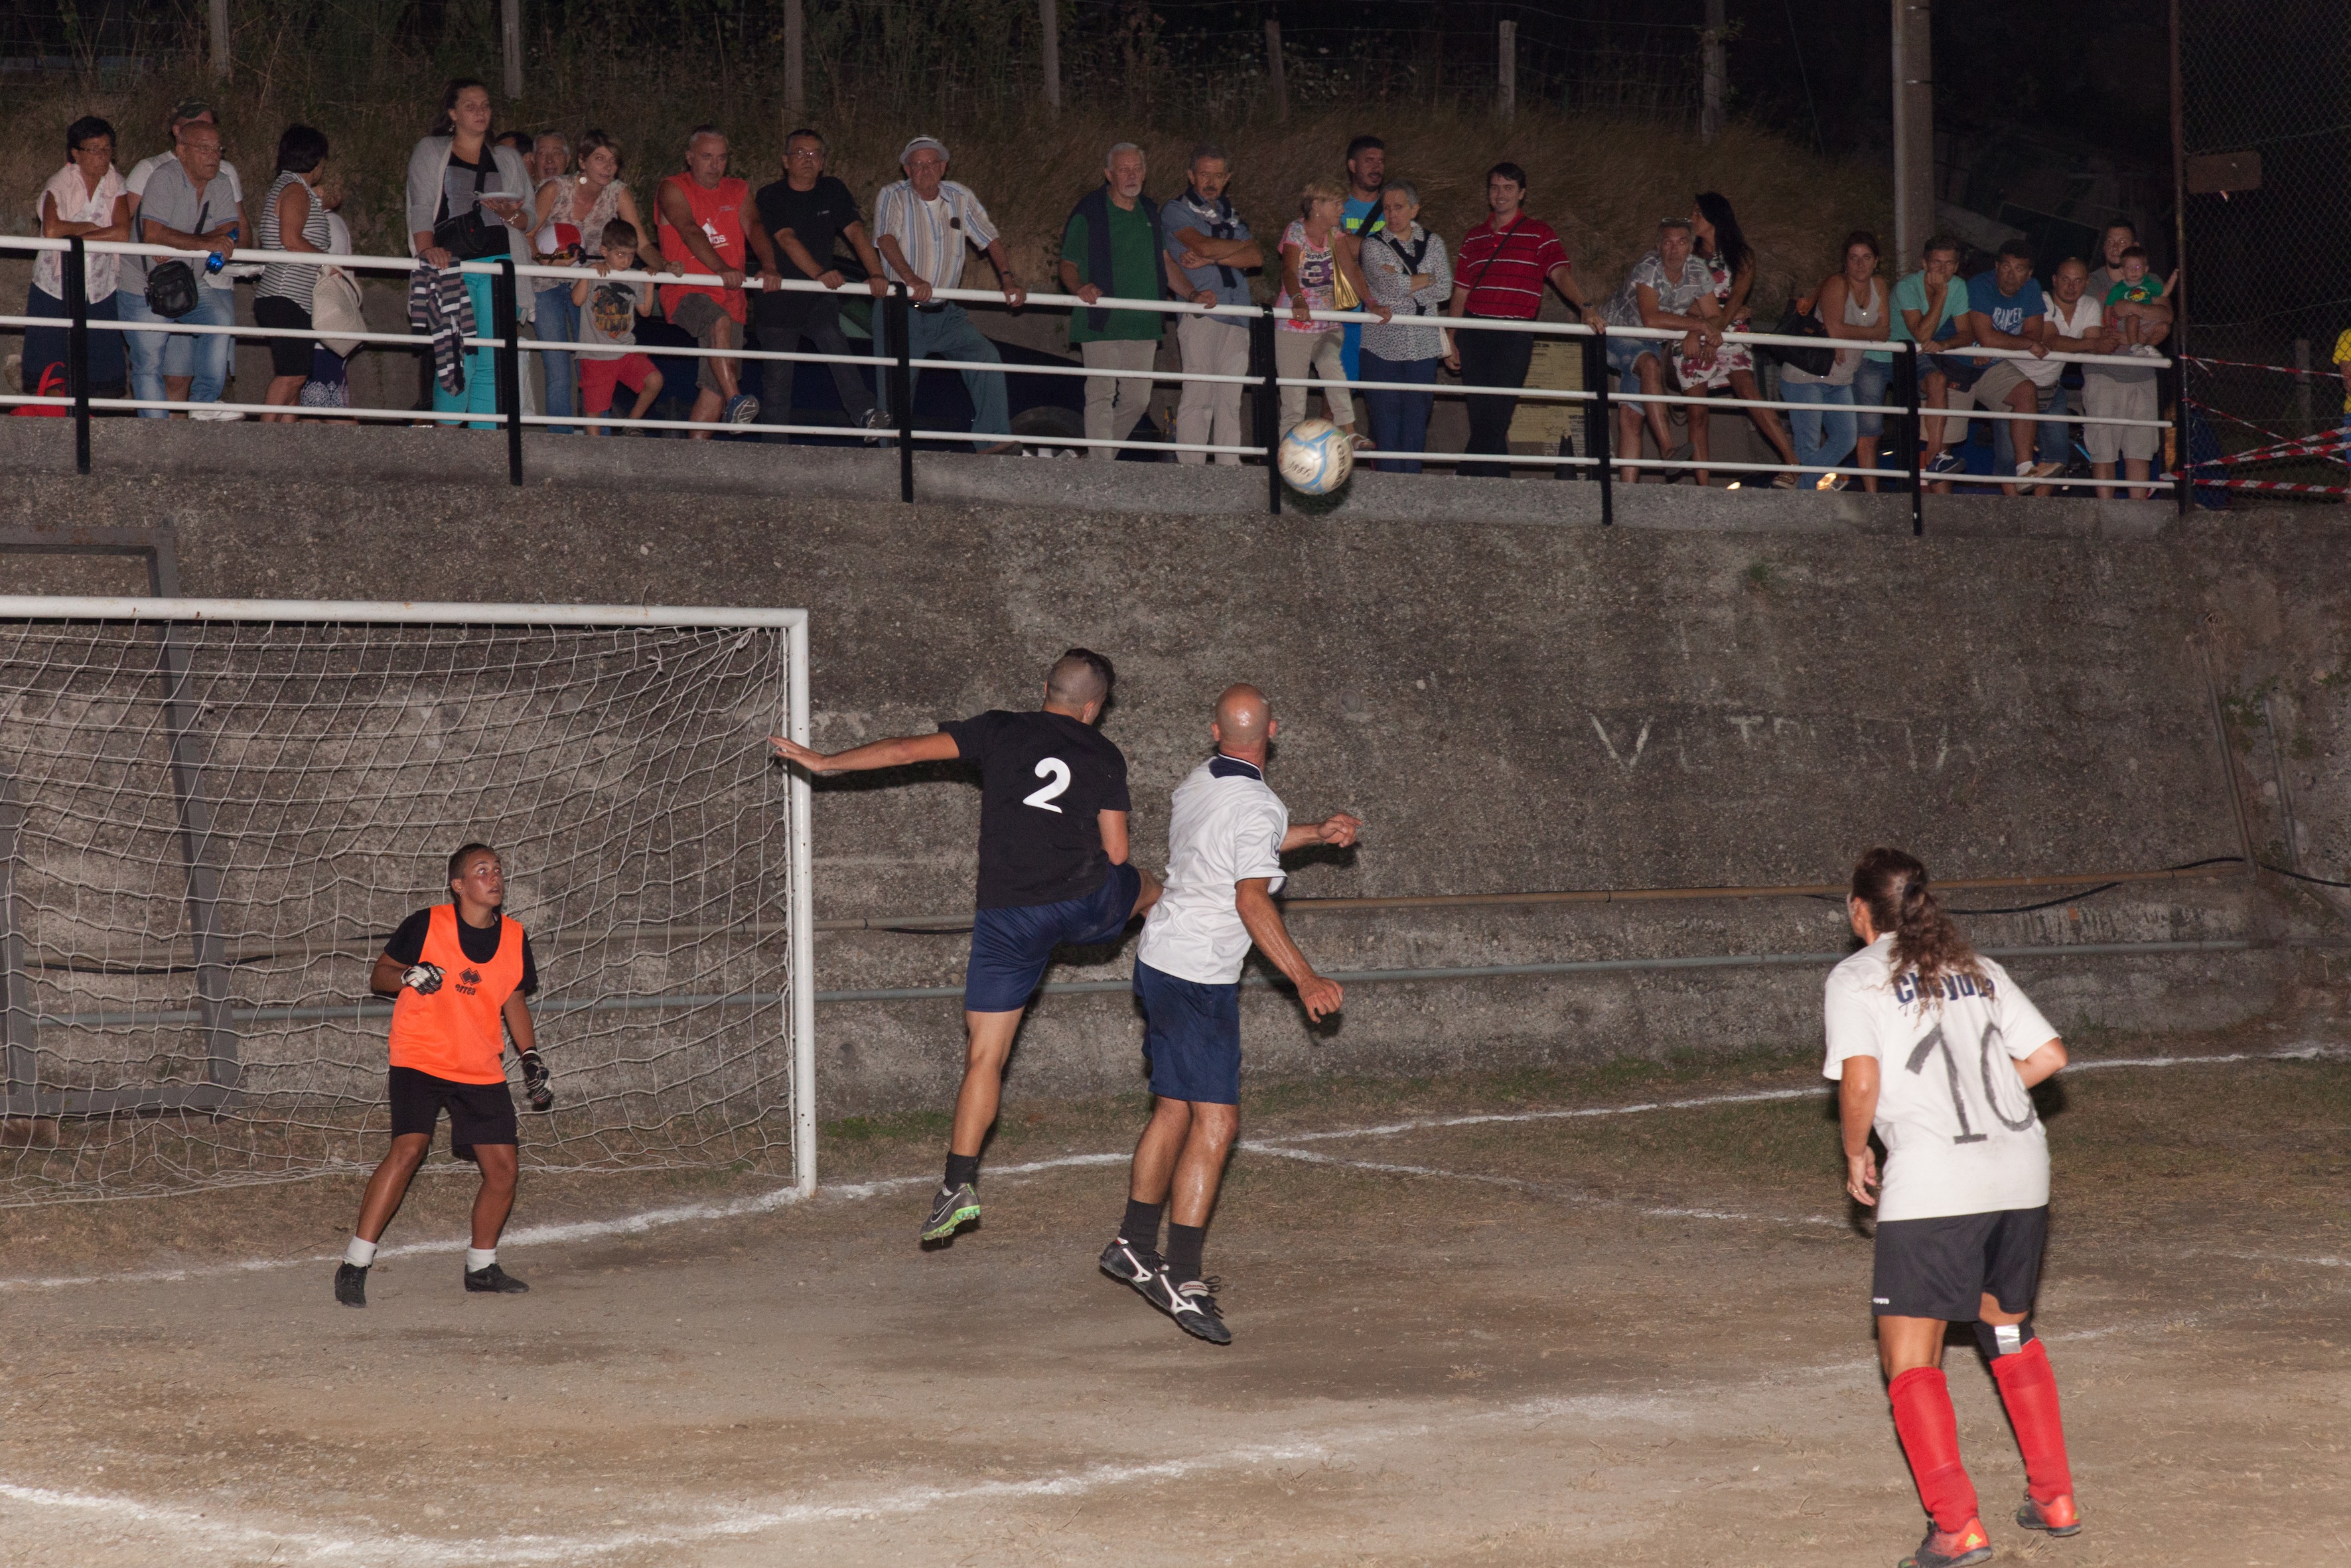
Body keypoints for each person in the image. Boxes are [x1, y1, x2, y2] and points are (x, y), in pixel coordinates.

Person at [767, 650, 1156, 1245]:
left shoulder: (999, 728)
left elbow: (902, 750)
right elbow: (1119, 851)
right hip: (1083, 900)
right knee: (1151, 885)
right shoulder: (1103, 753)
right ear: (1094, 706)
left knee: (984, 1055)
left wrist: (824, 762)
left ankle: (957, 1182)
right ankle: (1178, 949)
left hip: (1007, 918)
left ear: (1042, 688)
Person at [1825, 847, 2082, 1567]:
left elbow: (1862, 1081)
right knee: (2005, 1328)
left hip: (1938, 1184)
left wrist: (1856, 1150)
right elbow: (2051, 1054)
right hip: (2022, 1170)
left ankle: (1956, 1523)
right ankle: (2054, 1495)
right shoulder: (1978, 967)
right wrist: (1992, 1101)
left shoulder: (1855, 976)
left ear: (1860, 910)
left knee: (1909, 1355)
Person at [1098, 683, 1359, 1344]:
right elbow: (1251, 898)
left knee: (1174, 1109)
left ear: (1217, 733)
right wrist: (1305, 977)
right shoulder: (1260, 805)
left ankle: (1132, 1243)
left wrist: (1317, 836)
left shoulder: (1199, 782)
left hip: (1160, 956)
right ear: (1272, 729)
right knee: (1218, 1121)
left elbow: (1246, 841)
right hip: (1198, 976)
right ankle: (1182, 1278)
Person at [334, 843, 550, 1309]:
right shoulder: (426, 923)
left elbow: (512, 998)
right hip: (421, 1056)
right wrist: (410, 974)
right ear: (458, 885)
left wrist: (529, 1054)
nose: (493, 877)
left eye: (497, 870)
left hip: (479, 1063)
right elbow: (381, 976)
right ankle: (355, 1262)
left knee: (503, 1169)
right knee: (409, 1149)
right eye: (481, 870)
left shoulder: (514, 936)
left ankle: (481, 1266)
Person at [871, 135, 1028, 454]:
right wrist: (912, 278)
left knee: (986, 359)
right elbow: (885, 239)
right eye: (918, 164)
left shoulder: (960, 196)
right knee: (897, 386)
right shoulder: (893, 195)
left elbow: (990, 238)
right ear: (906, 169)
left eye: (932, 163)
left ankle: (993, 441)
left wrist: (1008, 280)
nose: (925, 170)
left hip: (946, 313)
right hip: (901, 309)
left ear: (944, 167)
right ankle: (891, 458)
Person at [406, 80, 537, 430]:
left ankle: (484, 445)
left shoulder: (507, 158)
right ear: (452, 113)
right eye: (470, 106)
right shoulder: (432, 150)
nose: (481, 112)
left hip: (500, 266)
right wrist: (426, 249)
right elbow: (420, 206)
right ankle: (447, 442)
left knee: (494, 359)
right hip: (453, 265)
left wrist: (508, 212)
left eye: (485, 105)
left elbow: (530, 219)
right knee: (457, 358)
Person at [1444, 162, 1587, 478]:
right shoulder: (1473, 238)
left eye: (1508, 188)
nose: (1501, 194)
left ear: (1522, 193)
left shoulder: (1540, 233)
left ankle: (1463, 482)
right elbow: (1461, 292)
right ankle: (1499, 488)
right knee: (1484, 417)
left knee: (1496, 415)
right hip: (1475, 331)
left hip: (1513, 335)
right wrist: (1450, 337)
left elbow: (1560, 274)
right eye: (1495, 187)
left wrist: (1584, 306)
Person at [746, 127, 889, 441]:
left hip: (816, 298)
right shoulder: (770, 195)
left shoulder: (833, 190)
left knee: (832, 338)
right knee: (778, 385)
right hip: (779, 299)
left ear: (823, 162)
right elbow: (785, 238)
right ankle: (774, 458)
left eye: (814, 154)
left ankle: (865, 413)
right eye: (800, 153)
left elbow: (855, 233)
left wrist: (877, 274)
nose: (807, 160)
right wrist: (819, 273)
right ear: (785, 161)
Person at [1061, 142, 1169, 458]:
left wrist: (1190, 293)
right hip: (1100, 318)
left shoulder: (1150, 210)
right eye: (1124, 169)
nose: (1131, 175)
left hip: (1143, 321)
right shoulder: (1089, 211)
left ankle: (1092, 459)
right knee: (1101, 395)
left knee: (1138, 400)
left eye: (1137, 168)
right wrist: (1080, 287)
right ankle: (1102, 472)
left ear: (1145, 173)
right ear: (1109, 174)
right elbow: (1068, 264)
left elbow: (1164, 261)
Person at [1685, 192, 1801, 482]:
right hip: (1697, 326)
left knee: (1749, 391)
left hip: (1727, 329)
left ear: (1715, 217)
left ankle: (1792, 464)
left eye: (1698, 213)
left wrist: (1719, 330)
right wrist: (1706, 330)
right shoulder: (1690, 256)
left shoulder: (1741, 254)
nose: (1692, 218)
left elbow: (1737, 297)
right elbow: (1684, 301)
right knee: (1697, 410)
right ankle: (1703, 487)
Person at [1160, 143, 1261, 466]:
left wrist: (1208, 256)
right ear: (1191, 175)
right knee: (1199, 397)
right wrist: (1230, 250)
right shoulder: (1176, 210)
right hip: (1203, 314)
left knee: (1230, 403)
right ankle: (1191, 474)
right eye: (1205, 174)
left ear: (1228, 178)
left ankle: (1228, 473)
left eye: (1218, 175)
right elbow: (1201, 243)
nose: (1211, 182)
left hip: (1238, 314)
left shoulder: (1231, 215)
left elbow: (1256, 257)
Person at [656, 125, 761, 434]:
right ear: (690, 158)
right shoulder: (672, 187)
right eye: (706, 157)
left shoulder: (738, 189)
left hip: (732, 295)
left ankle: (696, 461)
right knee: (718, 321)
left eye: (721, 158)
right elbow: (689, 229)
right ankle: (736, 400)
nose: (715, 165)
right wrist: (720, 268)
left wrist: (769, 266)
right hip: (688, 290)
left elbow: (755, 226)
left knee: (715, 384)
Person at [1598, 218, 1717, 486]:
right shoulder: (1648, 267)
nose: (1674, 249)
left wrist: (1698, 333)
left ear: (1691, 246)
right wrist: (1699, 325)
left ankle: (1626, 492)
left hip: (1647, 342)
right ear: (1658, 246)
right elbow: (1651, 318)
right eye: (1667, 242)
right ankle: (1668, 450)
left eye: (1681, 242)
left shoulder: (1698, 270)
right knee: (1651, 365)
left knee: (1631, 416)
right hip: (1614, 332)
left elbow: (1714, 316)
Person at [23, 115, 130, 404]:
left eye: (107, 149)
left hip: (99, 287)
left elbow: (121, 233)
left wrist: (78, 237)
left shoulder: (116, 183)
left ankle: (90, 434)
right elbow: (52, 229)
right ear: (76, 153)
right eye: (93, 150)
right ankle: (57, 429)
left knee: (99, 374)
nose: (102, 157)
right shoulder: (60, 182)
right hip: (56, 286)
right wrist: (93, 228)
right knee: (51, 367)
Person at [1277, 178, 1386, 444]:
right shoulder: (1295, 232)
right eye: (1337, 204)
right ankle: (1287, 458)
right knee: (1294, 401)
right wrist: (1298, 300)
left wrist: (1371, 302)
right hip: (1294, 325)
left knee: (1331, 362)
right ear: (1317, 205)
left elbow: (1352, 269)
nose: (1343, 210)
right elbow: (1289, 271)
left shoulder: (1335, 235)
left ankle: (1349, 434)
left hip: (1328, 322)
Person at [1778, 230, 1888, 490]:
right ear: (1845, 262)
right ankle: (1806, 500)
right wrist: (1866, 333)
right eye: (1853, 258)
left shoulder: (1879, 286)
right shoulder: (1837, 284)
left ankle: (1797, 484)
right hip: (1805, 375)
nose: (1860, 264)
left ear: (1876, 261)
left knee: (1846, 438)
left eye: (1866, 257)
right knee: (1808, 444)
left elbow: (1885, 333)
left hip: (1841, 378)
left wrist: (1851, 333)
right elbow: (1836, 328)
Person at [1356, 179, 1452, 473]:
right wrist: (1427, 278)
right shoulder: (1373, 245)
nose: (1392, 214)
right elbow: (1386, 287)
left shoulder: (1433, 242)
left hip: (1422, 348)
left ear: (1415, 209)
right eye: (1386, 208)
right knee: (1385, 426)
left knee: (1415, 426)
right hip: (1380, 348)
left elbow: (1446, 287)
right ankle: (1386, 496)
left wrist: (1408, 282)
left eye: (1398, 207)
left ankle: (1412, 492)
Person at [1958, 240, 2064, 494]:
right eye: (2005, 266)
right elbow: (1987, 337)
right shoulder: (1980, 286)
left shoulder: (2032, 289)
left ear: (2028, 275)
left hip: (1992, 364)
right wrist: (2021, 343)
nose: (2010, 273)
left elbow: (2034, 333)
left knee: (2026, 391)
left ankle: (2025, 469)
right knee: (1945, 441)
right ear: (1996, 266)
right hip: (1958, 363)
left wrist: (2010, 344)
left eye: (2018, 268)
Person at [253, 124, 332, 423]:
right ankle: (262, 442)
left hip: (290, 296)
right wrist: (329, 261)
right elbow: (291, 239)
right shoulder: (296, 189)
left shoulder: (292, 187)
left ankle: (285, 447)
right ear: (315, 159)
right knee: (292, 375)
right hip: (285, 294)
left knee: (296, 376)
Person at [1892, 236, 1977, 482]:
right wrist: (1941, 294)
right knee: (1869, 428)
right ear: (1925, 264)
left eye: (1949, 264)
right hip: (1887, 353)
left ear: (1957, 266)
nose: (1943, 270)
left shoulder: (1959, 286)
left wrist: (1944, 344)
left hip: (1916, 354)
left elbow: (1966, 333)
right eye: (1936, 263)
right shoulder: (1907, 286)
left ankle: (1935, 457)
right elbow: (1921, 332)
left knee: (1939, 380)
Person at [571, 217, 664, 433]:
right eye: (620, 254)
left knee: (655, 380)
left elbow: (645, 311)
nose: (626, 261)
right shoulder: (593, 271)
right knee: (594, 415)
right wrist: (588, 272)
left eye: (631, 255)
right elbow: (576, 300)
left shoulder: (634, 276)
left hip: (625, 351)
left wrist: (649, 283)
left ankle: (630, 425)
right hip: (595, 355)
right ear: (605, 251)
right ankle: (595, 460)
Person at [2035, 257, 2106, 497]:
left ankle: (2036, 511)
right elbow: (2052, 341)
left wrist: (2092, 344)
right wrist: (2091, 343)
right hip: (2015, 381)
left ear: (2086, 284)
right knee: (2009, 454)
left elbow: (2094, 348)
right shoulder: (2041, 300)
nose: (2071, 286)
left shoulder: (2089, 305)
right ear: (2054, 280)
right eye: (2065, 279)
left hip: (2051, 385)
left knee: (2056, 456)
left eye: (2078, 280)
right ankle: (2016, 515)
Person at [527, 132, 581, 433]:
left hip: (582, 283)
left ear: (569, 159)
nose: (549, 160)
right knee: (557, 367)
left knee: (588, 363)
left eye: (556, 153)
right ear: (533, 160)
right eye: (543, 153)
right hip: (543, 286)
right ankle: (561, 442)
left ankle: (598, 435)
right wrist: (546, 261)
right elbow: (524, 237)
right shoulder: (523, 193)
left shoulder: (584, 191)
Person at [1336, 133, 1386, 378]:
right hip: (1346, 315)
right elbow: (1331, 248)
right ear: (1352, 165)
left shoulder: (1393, 208)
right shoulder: (1337, 207)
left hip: (1384, 316)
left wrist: (1351, 243)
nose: (1377, 167)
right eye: (1369, 160)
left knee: (1379, 398)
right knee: (1337, 397)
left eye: (1381, 161)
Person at [2086, 224, 2171, 349]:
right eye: (2110, 242)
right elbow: (2084, 329)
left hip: (2141, 366)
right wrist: (2130, 337)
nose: (2115, 247)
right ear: (2104, 247)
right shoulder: (2091, 282)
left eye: (2122, 242)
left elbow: (2167, 316)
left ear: (2135, 247)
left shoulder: (2150, 280)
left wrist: (2131, 307)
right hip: (2101, 365)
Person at [2101, 246, 2166, 354]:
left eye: (2137, 267)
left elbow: (2164, 294)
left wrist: (2174, 277)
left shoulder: (2149, 283)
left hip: (2147, 320)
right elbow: (2108, 306)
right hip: (2128, 321)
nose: (2134, 271)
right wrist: (2108, 325)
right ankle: (2135, 346)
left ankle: (2148, 347)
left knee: (2164, 327)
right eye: (2129, 268)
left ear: (2145, 269)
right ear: (2122, 270)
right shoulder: (2119, 288)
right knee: (2134, 318)